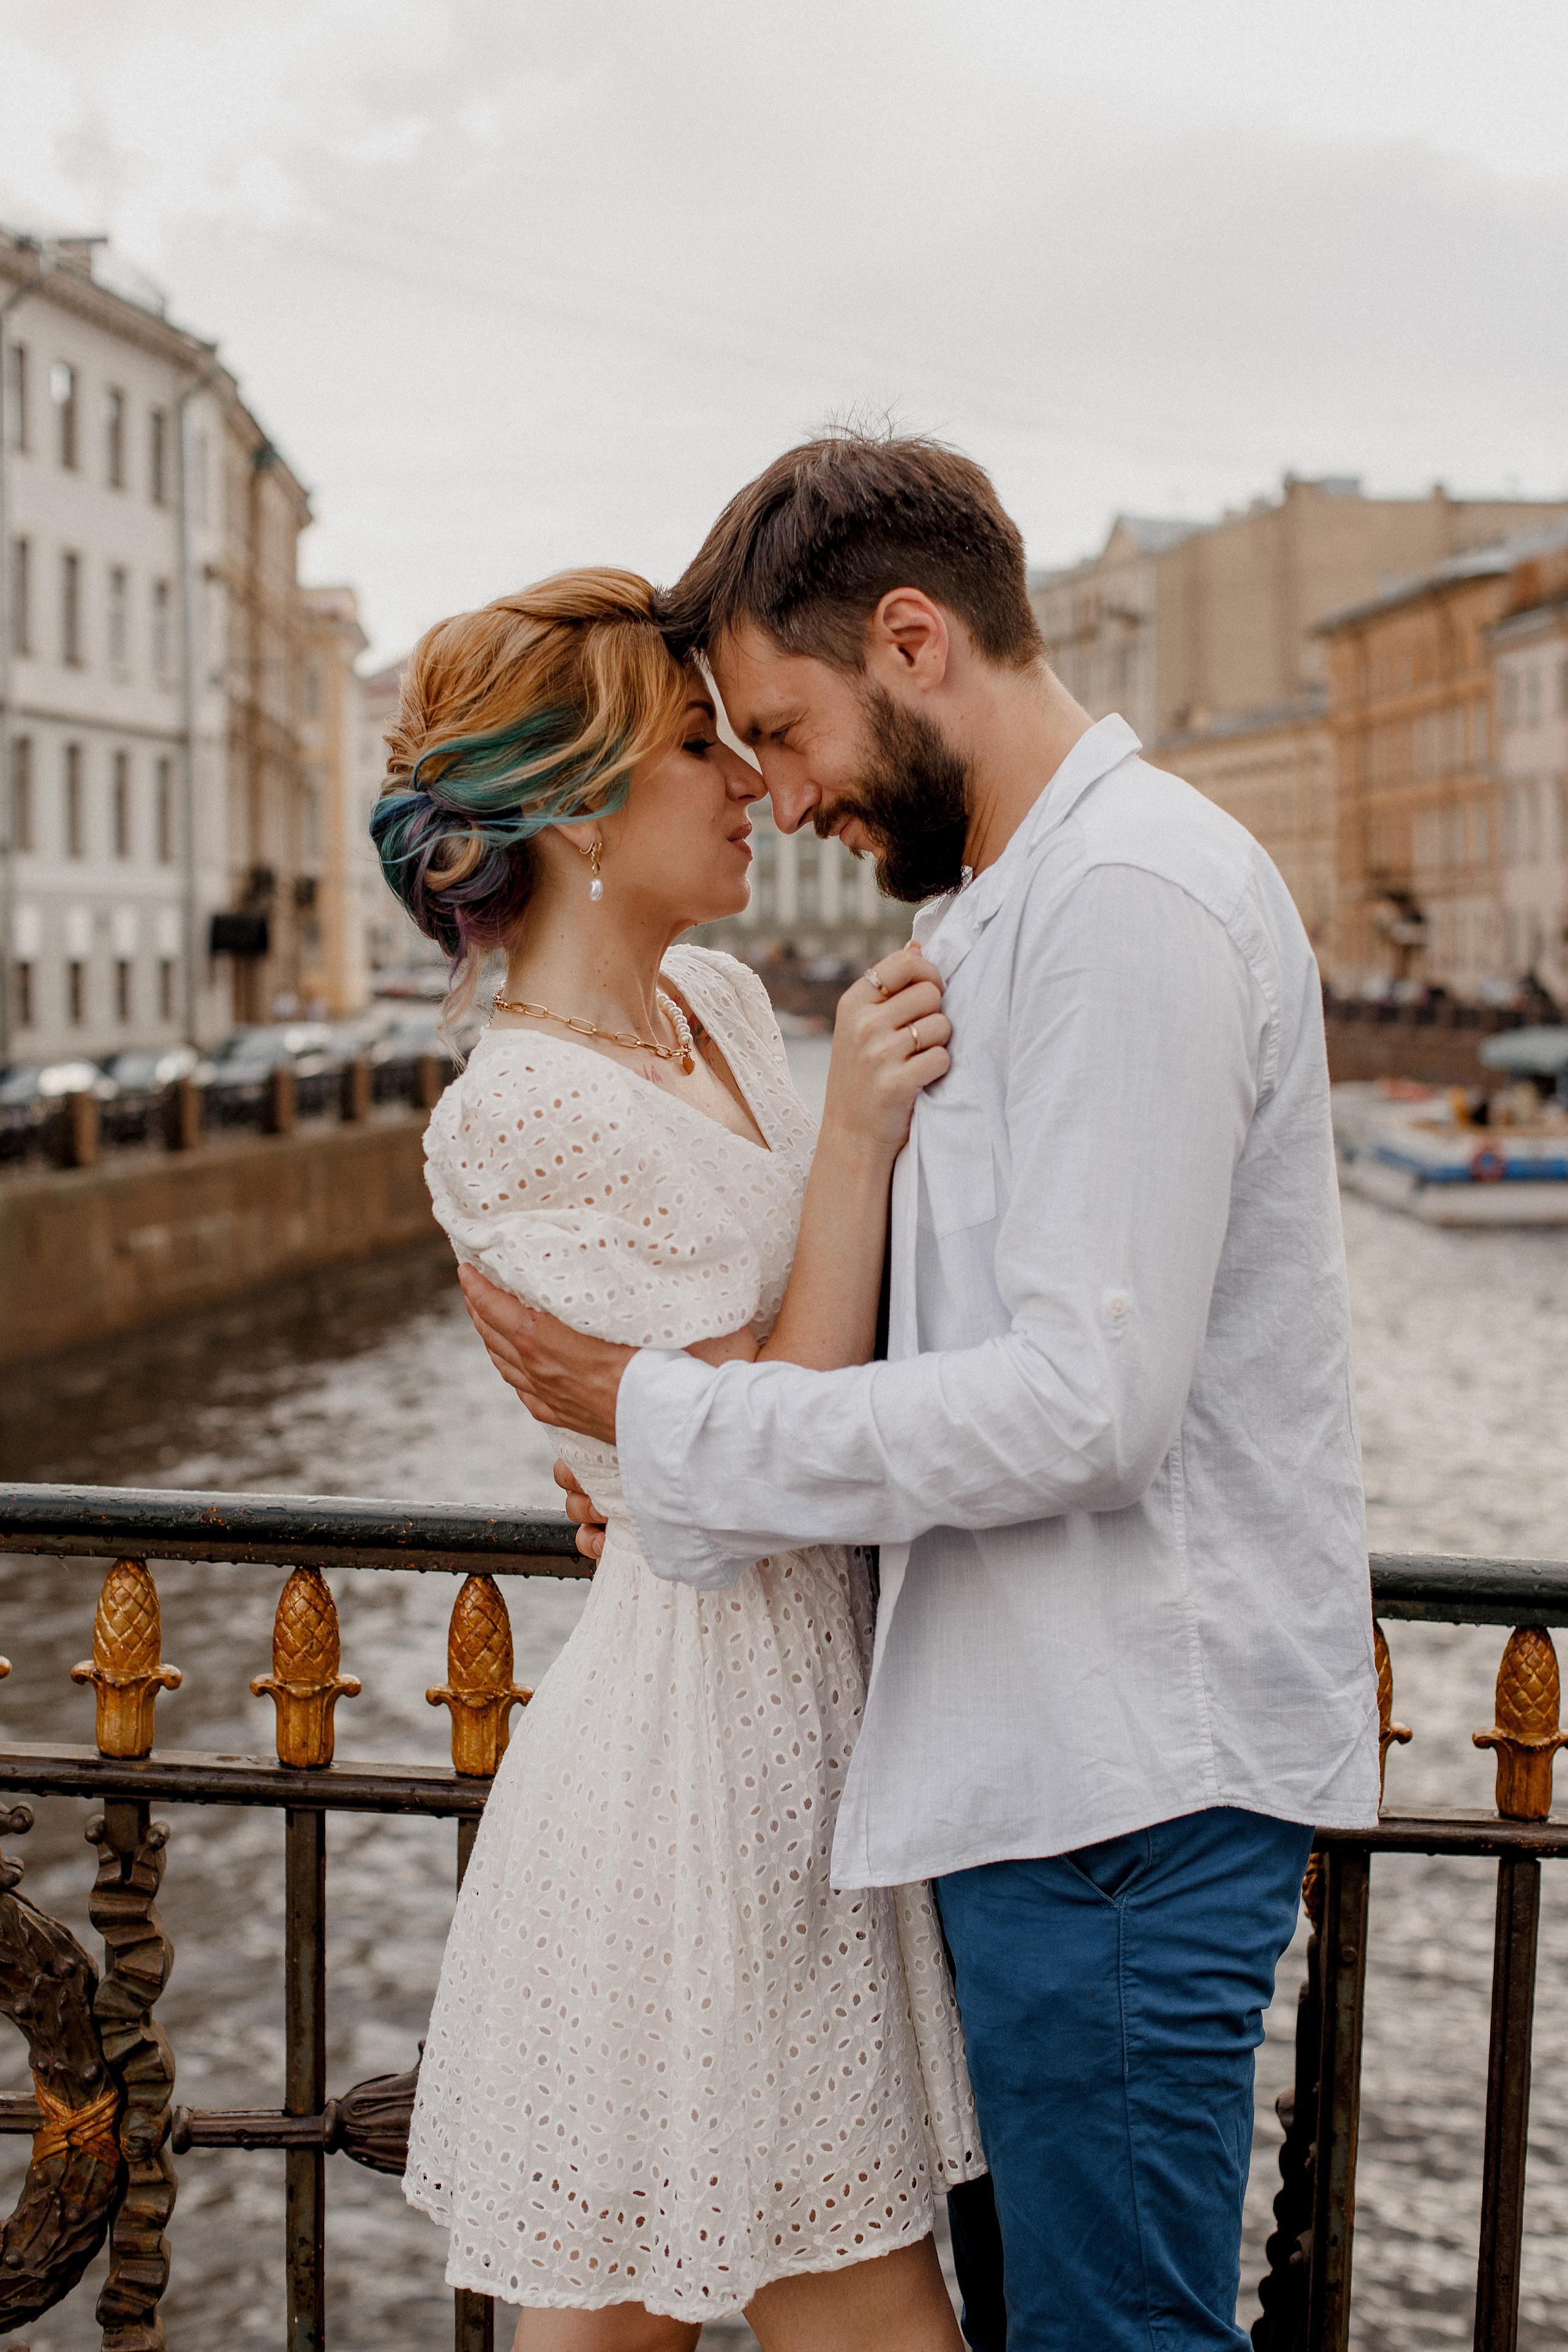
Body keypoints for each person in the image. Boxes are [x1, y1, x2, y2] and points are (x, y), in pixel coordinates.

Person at [459, 434, 1383, 2352]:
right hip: (1017, 1776)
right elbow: (938, 1330)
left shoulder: (1124, 902)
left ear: (911, 640)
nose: (782, 794)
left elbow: (1086, 1406)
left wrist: (675, 1429)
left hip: (1120, 1793)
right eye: (733, 748)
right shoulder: (1008, 911)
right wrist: (679, 1452)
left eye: (785, 731)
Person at [370, 568, 986, 2352]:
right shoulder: (515, 1113)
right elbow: (760, 1453)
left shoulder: (713, 999)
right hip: (694, 1764)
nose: (750, 782)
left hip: (811, 1709)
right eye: (699, 748)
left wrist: (641, 1447)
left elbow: (783, 1377)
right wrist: (857, 1131)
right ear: (576, 808)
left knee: (645, 2312)